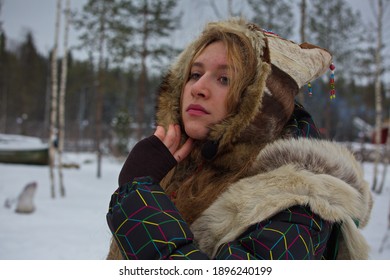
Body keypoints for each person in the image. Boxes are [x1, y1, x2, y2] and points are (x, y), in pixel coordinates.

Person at [106, 18, 373, 260]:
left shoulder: (297, 203)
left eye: (224, 79)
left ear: (261, 104)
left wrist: (138, 197)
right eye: (195, 74)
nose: (198, 88)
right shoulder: (185, 173)